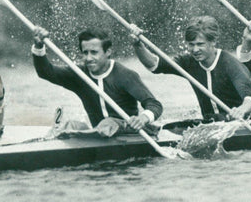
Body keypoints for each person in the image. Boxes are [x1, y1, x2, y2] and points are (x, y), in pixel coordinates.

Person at [32, 27, 162, 137]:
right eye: (85, 53)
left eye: (94, 52)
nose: (88, 58)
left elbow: (154, 105)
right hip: (98, 133)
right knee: (68, 125)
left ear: (108, 52)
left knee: (108, 123)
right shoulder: (79, 75)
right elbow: (46, 72)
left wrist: (143, 118)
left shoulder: (126, 75)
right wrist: (39, 46)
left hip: (127, 131)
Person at [132, 15, 251, 121]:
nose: (195, 50)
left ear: (213, 41)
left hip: (238, 122)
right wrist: (138, 45)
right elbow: (154, 65)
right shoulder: (188, 62)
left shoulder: (232, 65)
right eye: (191, 45)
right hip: (210, 123)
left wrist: (240, 110)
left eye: (200, 44)